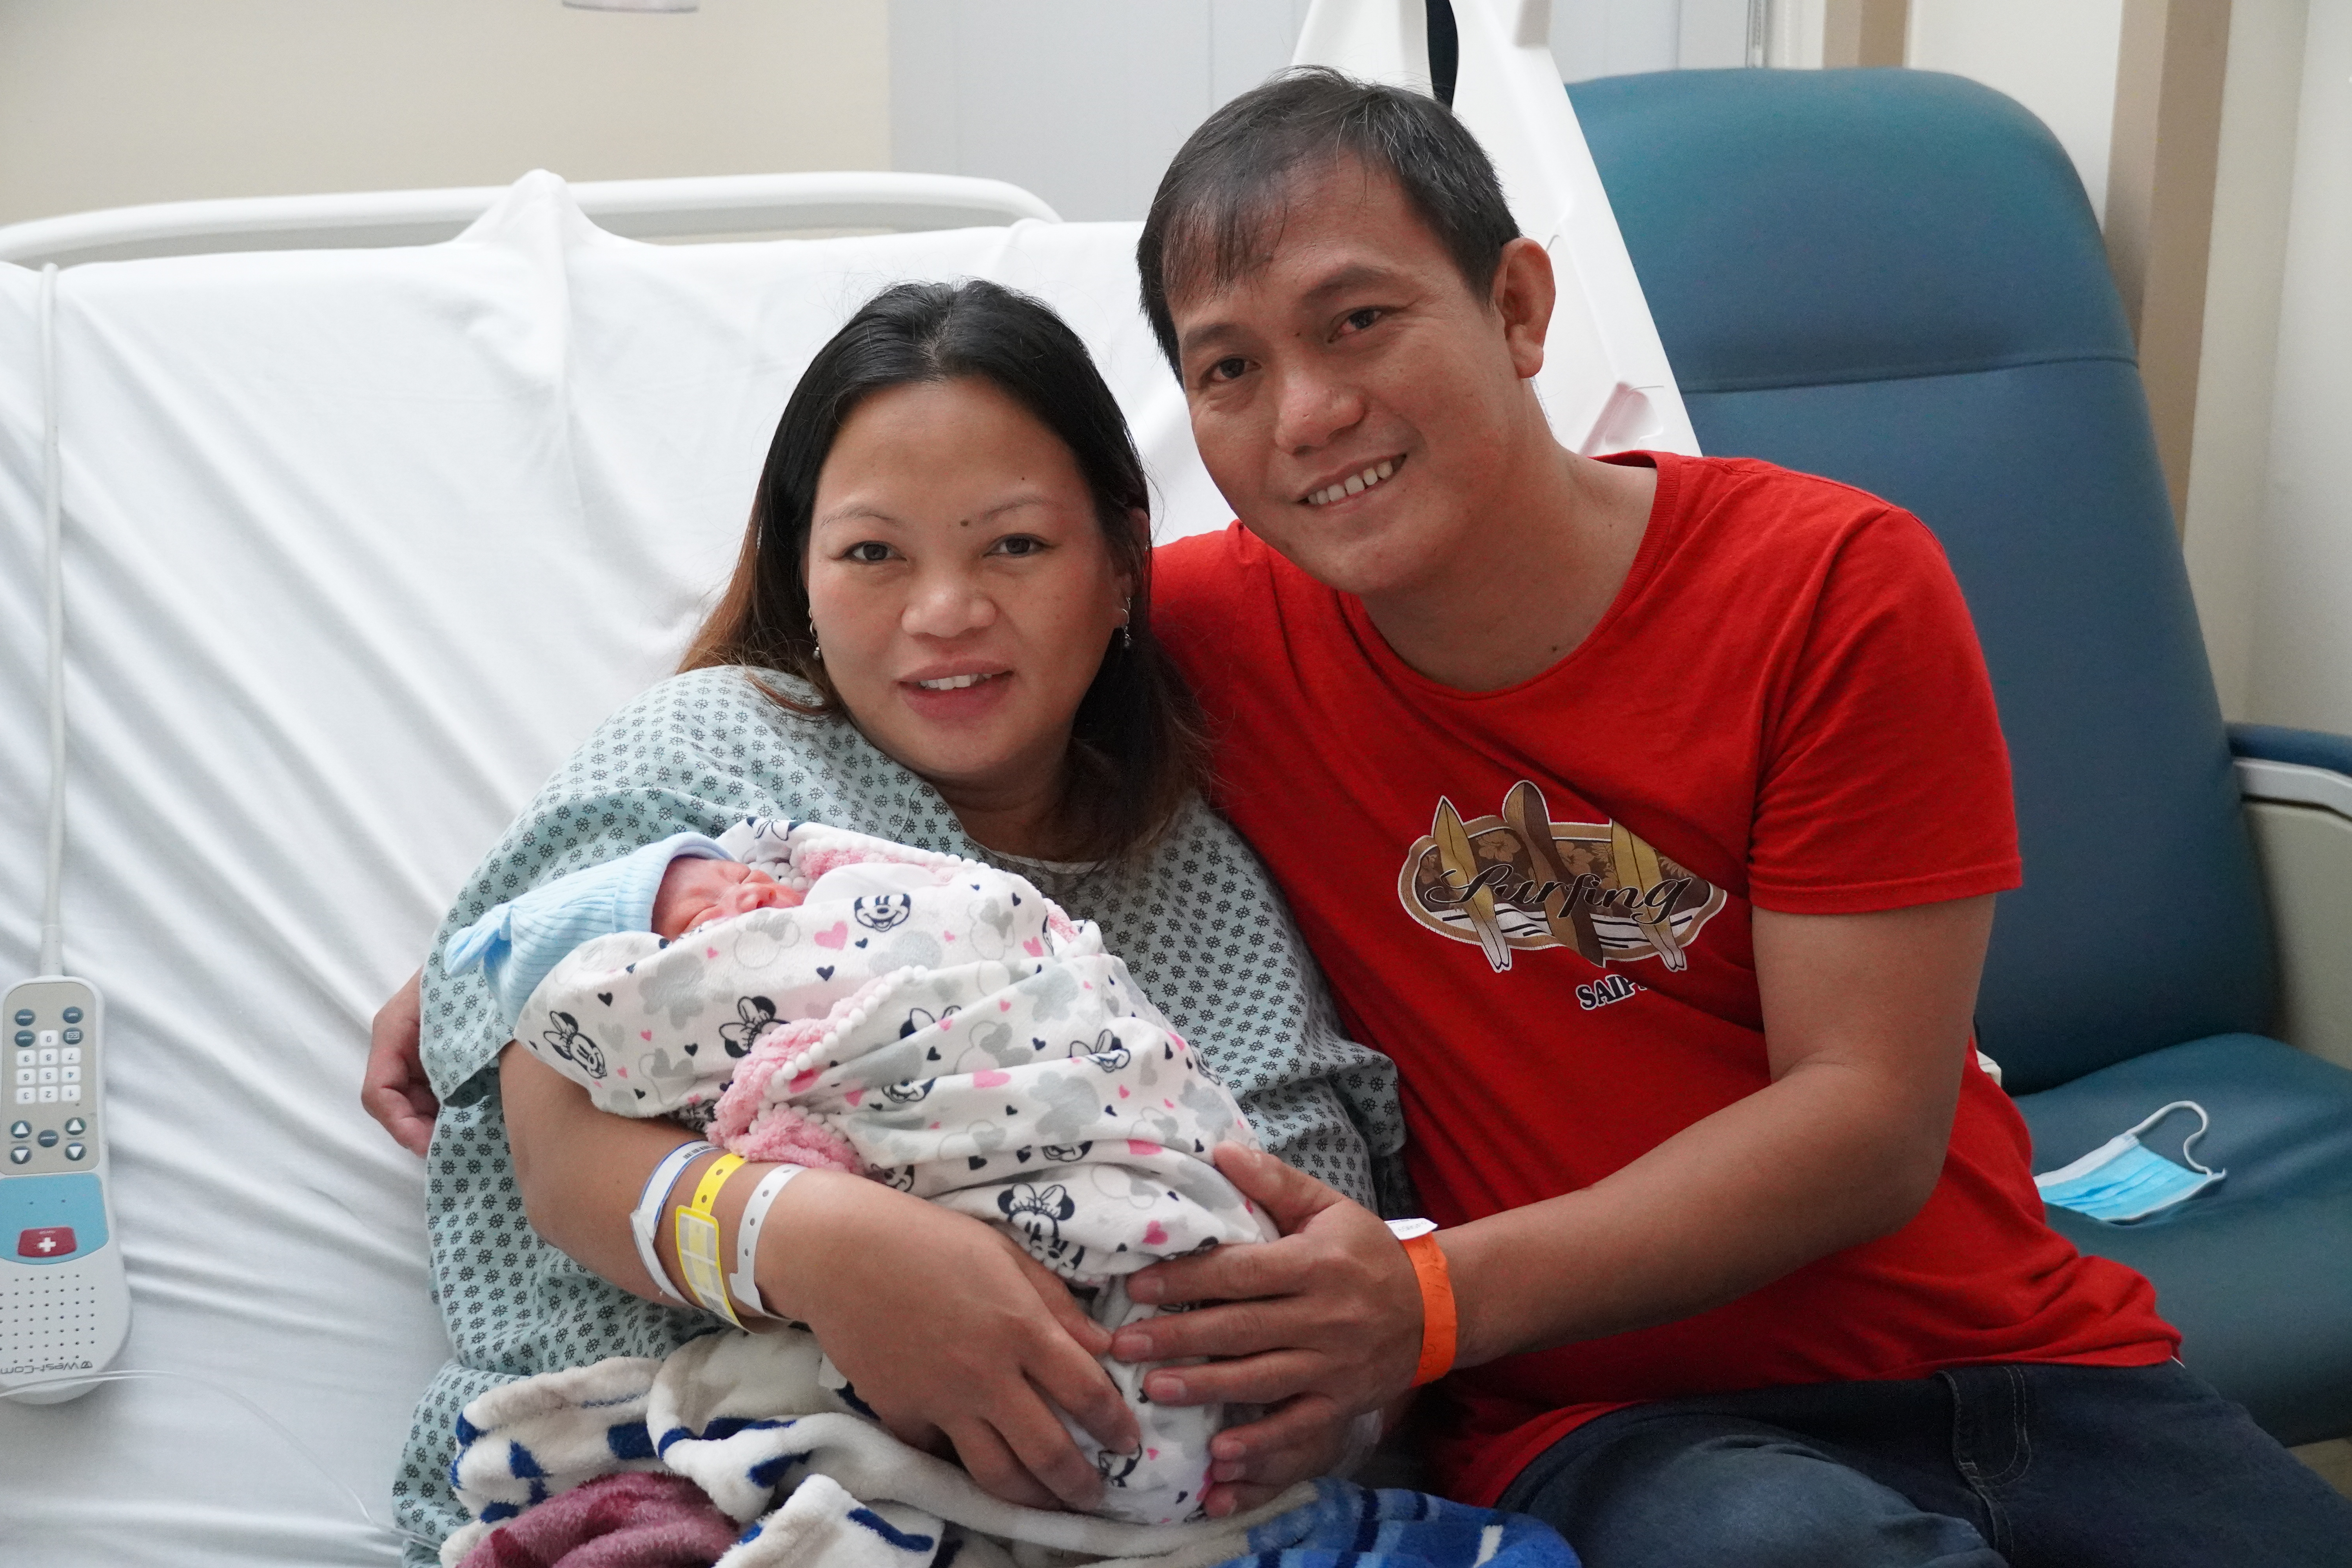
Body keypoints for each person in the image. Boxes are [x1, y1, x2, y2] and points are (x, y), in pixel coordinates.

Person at [1060, 67, 2352, 1567]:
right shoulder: (1207, 637)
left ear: (1521, 309)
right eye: (1227, 372)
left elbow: (1865, 1120)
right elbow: (873, 643)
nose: (1308, 413)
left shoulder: (1827, 589)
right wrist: (746, 1217)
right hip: (1618, 1429)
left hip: (2017, 1366)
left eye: (1359, 321)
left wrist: (1421, 1301)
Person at [372, 277, 1408, 1558]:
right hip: (696, 1461)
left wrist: (1304, 1376)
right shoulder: (709, 761)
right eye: (874, 554)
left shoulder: (1199, 876)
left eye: (1015, 546)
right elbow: (560, 1140)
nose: (944, 613)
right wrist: (821, 1249)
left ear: (1123, 568)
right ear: (799, 571)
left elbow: (1290, 1187)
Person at [446, 813, 1282, 1526]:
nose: (949, 614)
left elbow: (1359, 1237)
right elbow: (561, 1119)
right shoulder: (699, 747)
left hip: (1213, 1252)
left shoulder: (1227, 854)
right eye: (706, 913)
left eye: (741, 879)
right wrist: (819, 1244)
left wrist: (1399, 1314)